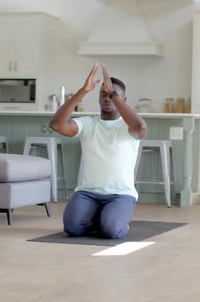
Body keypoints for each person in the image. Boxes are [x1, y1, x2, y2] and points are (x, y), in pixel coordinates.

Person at [50, 63, 148, 239]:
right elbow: (57, 125)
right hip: (88, 192)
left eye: (113, 95)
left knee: (111, 231)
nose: (107, 98)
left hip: (121, 194)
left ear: (123, 100)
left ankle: (112, 219)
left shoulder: (128, 126)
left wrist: (113, 95)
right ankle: (100, 217)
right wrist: (83, 90)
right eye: (103, 95)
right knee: (72, 229)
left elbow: (141, 127)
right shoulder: (88, 124)